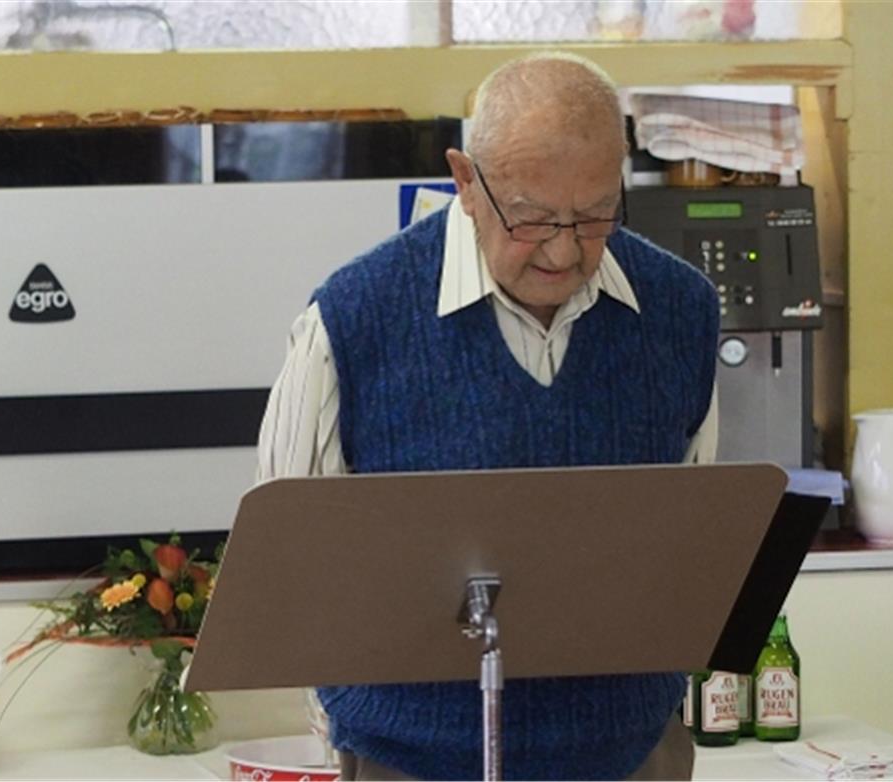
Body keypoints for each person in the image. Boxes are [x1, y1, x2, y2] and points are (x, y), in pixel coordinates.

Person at [256, 51, 720, 781]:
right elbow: (294, 563)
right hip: (407, 760)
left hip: (632, 755)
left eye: (597, 214)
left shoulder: (681, 311)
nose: (565, 251)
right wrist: (345, 730)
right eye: (533, 220)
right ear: (466, 182)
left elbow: (693, 550)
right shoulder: (354, 319)